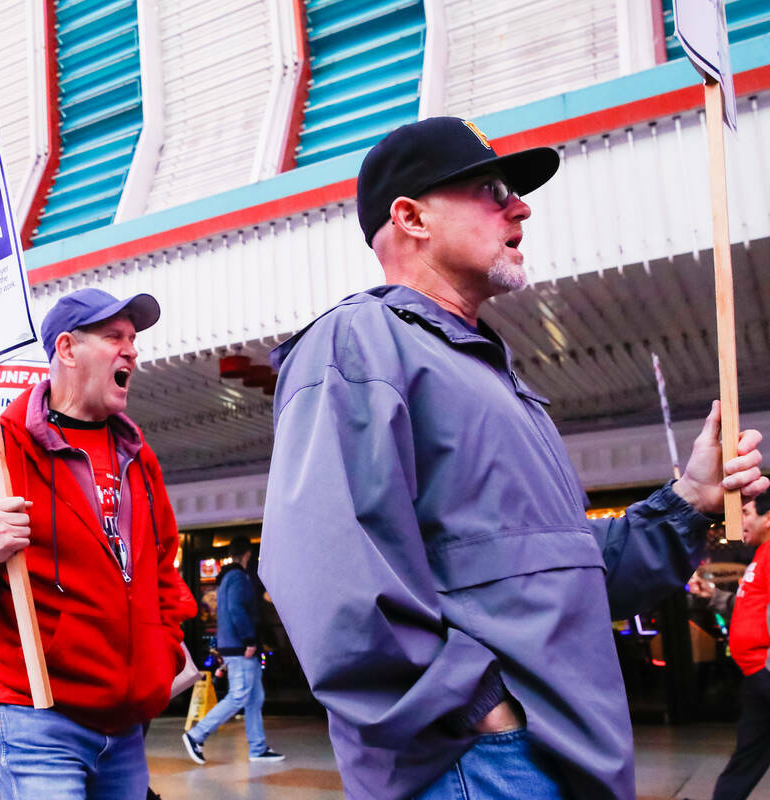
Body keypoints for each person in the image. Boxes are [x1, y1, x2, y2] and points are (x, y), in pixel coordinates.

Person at [258, 116, 769, 800]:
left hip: (560, 757)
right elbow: (331, 576)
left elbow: (562, 575)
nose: (520, 206)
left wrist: (687, 503)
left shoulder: (492, 376)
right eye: (492, 189)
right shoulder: (359, 343)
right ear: (410, 218)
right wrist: (476, 711)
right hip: (480, 764)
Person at [0, 287, 197, 799]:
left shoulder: (139, 455)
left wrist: (166, 653)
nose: (131, 350)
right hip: (35, 720)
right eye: (114, 336)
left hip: (126, 728)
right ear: (66, 350)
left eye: (133, 339)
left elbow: (162, 569)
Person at [182, 535, 283, 764]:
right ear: (248, 555)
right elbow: (237, 610)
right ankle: (196, 735)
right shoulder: (238, 578)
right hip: (241, 647)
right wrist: (249, 640)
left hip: (236, 645)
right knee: (239, 695)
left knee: (255, 697)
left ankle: (258, 748)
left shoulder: (227, 578)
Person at [713, 493, 770, 799]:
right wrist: (712, 595)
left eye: (746, 512)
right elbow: (749, 606)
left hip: (765, 670)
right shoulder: (761, 555)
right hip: (756, 673)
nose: (740, 521)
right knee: (747, 756)